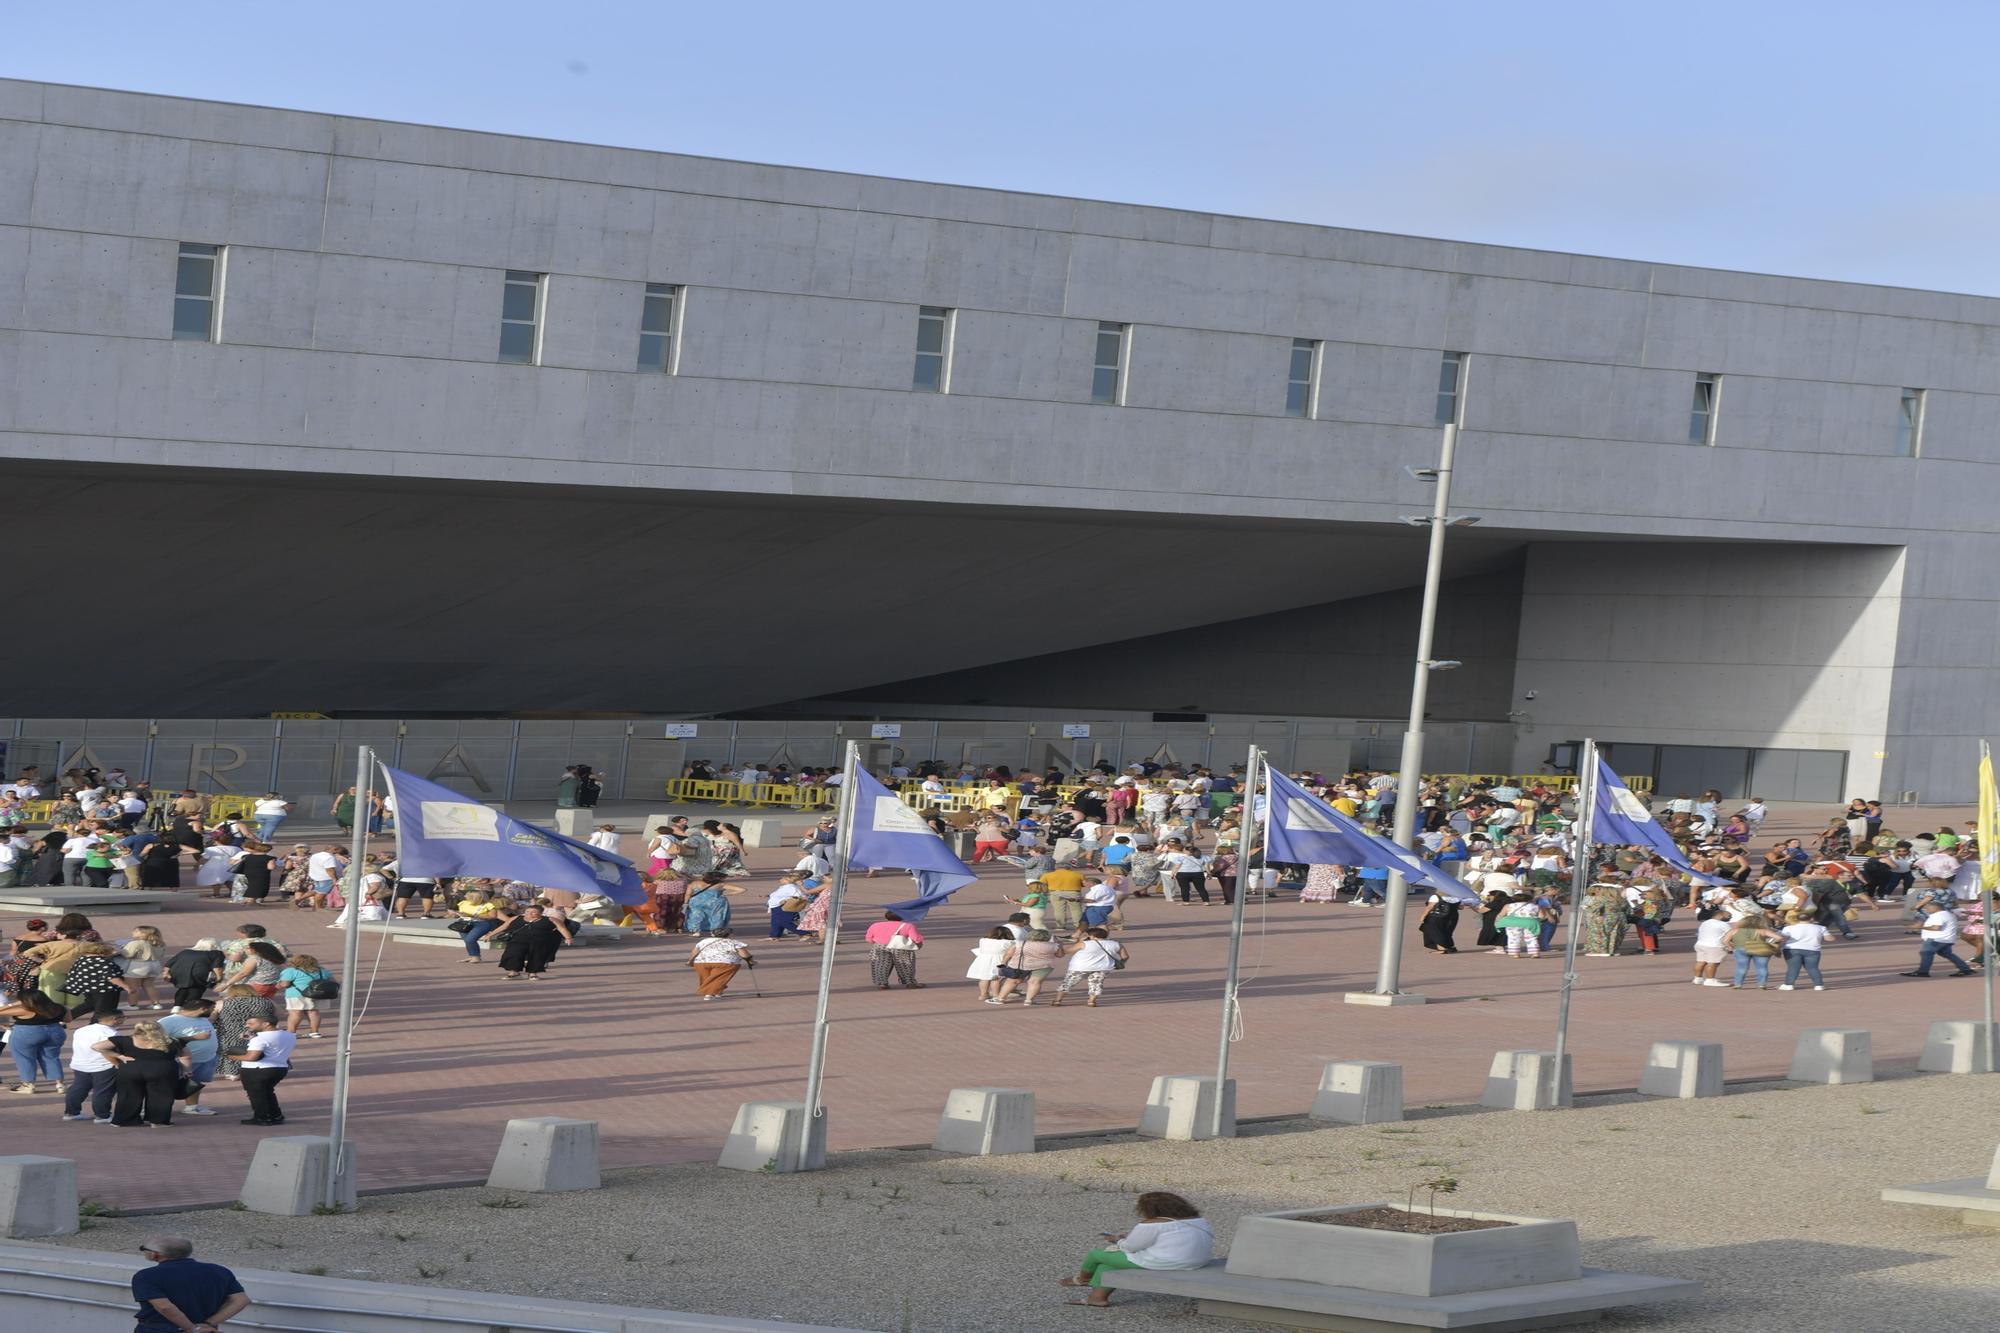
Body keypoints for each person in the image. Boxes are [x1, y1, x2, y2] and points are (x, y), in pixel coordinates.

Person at [1059, 1191, 1214, 1307]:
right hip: (1196, 1261)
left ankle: (1083, 1279)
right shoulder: (1199, 1220)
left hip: (1165, 1262)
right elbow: (1173, 1240)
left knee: (1095, 1255)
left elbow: (1130, 1247)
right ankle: (1097, 1299)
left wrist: (1118, 1240)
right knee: (1107, 1266)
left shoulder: (1151, 1224)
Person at [132, 1236, 249, 1333]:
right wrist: (208, 1324)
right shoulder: (219, 1271)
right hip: (205, 1330)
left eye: (144, 1249)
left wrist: (192, 1328)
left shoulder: (146, 1276)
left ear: (154, 1254)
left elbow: (164, 1307)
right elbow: (241, 1300)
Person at [97, 1018, 188, 1128]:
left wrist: (118, 1057)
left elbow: (97, 1047)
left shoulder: (124, 1040)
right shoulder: (172, 1041)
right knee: (161, 1096)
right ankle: (158, 1121)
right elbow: (186, 1056)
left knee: (128, 1095)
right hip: (162, 1070)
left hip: (131, 1069)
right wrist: (186, 1070)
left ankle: (124, 1120)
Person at [158, 1000, 220, 1117]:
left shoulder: (203, 1018)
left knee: (194, 1083)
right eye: (212, 1008)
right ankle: (153, 1108)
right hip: (180, 1060)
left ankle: (192, 1107)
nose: (214, 1011)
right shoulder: (169, 1021)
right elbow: (158, 1039)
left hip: (205, 1059)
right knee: (165, 1084)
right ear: (203, 1009)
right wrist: (193, 1038)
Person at [2, 988, 68, 1093]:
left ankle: (28, 1085)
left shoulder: (25, 1010)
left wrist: (12, 1004)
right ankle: (59, 1085)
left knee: (25, 1058)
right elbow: (68, 1019)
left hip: (27, 1032)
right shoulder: (58, 1007)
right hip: (55, 1031)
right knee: (51, 1057)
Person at [61, 1011, 123, 1123]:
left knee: (78, 1088)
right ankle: (102, 1116)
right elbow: (107, 1051)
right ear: (115, 1019)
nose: (124, 1020)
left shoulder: (81, 1030)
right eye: (123, 1017)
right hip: (102, 1065)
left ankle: (71, 1113)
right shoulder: (111, 1033)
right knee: (103, 1091)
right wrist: (117, 1064)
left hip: (80, 1064)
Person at [234, 1016, 296, 1125]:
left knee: (256, 1094)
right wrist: (251, 1039)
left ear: (266, 1024)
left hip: (256, 1070)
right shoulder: (289, 1035)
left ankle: (262, 1117)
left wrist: (232, 1057)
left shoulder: (259, 1039)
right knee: (267, 1092)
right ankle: (276, 1116)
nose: (247, 1026)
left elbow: (251, 1057)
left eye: (251, 1023)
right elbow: (273, 1044)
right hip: (280, 1068)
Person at [492, 903, 573, 980]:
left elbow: (562, 928)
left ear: (541, 913)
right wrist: (490, 934)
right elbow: (503, 926)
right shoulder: (516, 918)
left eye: (533, 912)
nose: (530, 914)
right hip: (517, 941)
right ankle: (514, 972)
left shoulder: (550, 919)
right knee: (513, 954)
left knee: (536, 956)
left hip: (539, 942)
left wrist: (568, 938)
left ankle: (532, 973)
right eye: (527, 911)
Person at [213, 984, 276, 1082]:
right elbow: (277, 1015)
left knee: (231, 1049)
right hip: (257, 1032)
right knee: (258, 1050)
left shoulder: (222, 1003)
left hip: (230, 1034)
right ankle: (259, 1070)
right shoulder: (267, 1001)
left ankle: (233, 1073)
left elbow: (212, 1018)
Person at [1051, 927, 1126, 1007]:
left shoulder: (1084, 943)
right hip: (1103, 968)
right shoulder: (1115, 944)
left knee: (1068, 983)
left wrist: (1079, 941)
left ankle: (1057, 1000)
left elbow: (1066, 951)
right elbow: (1125, 956)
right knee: (1096, 984)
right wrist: (1119, 963)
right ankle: (1091, 1001)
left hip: (1080, 967)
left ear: (1092, 936)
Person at [1903, 901, 1978, 977]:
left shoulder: (1939, 916)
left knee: (1926, 953)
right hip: (1946, 939)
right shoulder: (1946, 914)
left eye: (1927, 908)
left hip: (1937, 939)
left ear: (1935, 908)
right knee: (1947, 954)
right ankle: (1965, 969)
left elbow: (1936, 928)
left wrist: (1919, 927)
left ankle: (1923, 971)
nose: (1926, 910)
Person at [865, 911, 925, 989]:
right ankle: (910, 983)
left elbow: (869, 939)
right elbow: (916, 939)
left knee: (880, 965)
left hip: (880, 947)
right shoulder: (908, 926)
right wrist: (919, 945)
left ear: (886, 916)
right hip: (900, 947)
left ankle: (881, 984)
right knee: (905, 964)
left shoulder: (875, 925)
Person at [277, 953, 333, 1037]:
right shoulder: (322, 971)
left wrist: (278, 985)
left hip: (296, 994)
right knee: (313, 1012)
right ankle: (314, 1032)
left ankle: (291, 1033)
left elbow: (285, 984)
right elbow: (333, 981)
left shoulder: (291, 971)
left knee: (295, 1013)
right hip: (316, 994)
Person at [688, 928, 751, 998]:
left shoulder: (704, 941)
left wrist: (690, 960)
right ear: (730, 934)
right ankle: (709, 994)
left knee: (707, 978)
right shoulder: (734, 942)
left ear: (713, 934)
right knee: (719, 978)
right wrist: (750, 960)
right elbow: (744, 954)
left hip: (701, 962)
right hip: (725, 963)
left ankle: (717, 992)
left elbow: (695, 951)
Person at [1727, 912, 1784, 989]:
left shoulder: (1735, 930)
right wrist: (1771, 943)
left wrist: (1730, 946)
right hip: (1760, 949)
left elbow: (1725, 940)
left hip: (1741, 949)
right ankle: (1762, 985)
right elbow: (1779, 937)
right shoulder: (1762, 931)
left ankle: (1738, 984)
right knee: (1762, 967)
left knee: (1741, 967)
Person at [452, 888, 504, 962]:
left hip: (481, 923)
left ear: (474, 897)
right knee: (467, 940)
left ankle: (476, 957)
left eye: (468, 895)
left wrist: (474, 915)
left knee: (470, 939)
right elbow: (461, 913)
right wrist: (457, 914)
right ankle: (472, 955)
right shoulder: (463, 903)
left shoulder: (488, 905)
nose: (465, 896)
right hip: (464, 923)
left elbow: (492, 916)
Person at [968, 926, 1014, 1004]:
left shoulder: (983, 940)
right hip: (999, 960)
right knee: (996, 978)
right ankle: (996, 995)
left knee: (984, 978)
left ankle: (983, 994)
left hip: (983, 960)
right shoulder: (1008, 942)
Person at [1418, 888, 1461, 954]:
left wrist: (1423, 916)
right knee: (1446, 932)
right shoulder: (1456, 897)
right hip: (1452, 917)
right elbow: (1461, 907)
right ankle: (1450, 947)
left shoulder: (1436, 896)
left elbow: (1429, 907)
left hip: (1436, 917)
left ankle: (1442, 949)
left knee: (1436, 932)